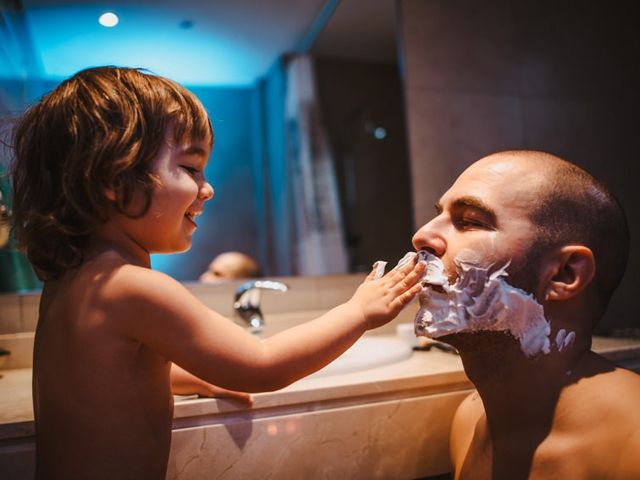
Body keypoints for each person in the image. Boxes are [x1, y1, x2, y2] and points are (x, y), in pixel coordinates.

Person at [9, 66, 425, 479]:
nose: (207, 188)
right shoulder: (134, 287)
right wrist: (360, 312)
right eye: (191, 169)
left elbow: (106, 377)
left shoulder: (72, 282)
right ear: (114, 179)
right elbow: (263, 364)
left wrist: (200, 378)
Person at [411, 150, 640, 479]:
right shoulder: (470, 421)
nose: (421, 235)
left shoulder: (632, 441)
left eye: (470, 221)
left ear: (563, 274)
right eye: (440, 215)